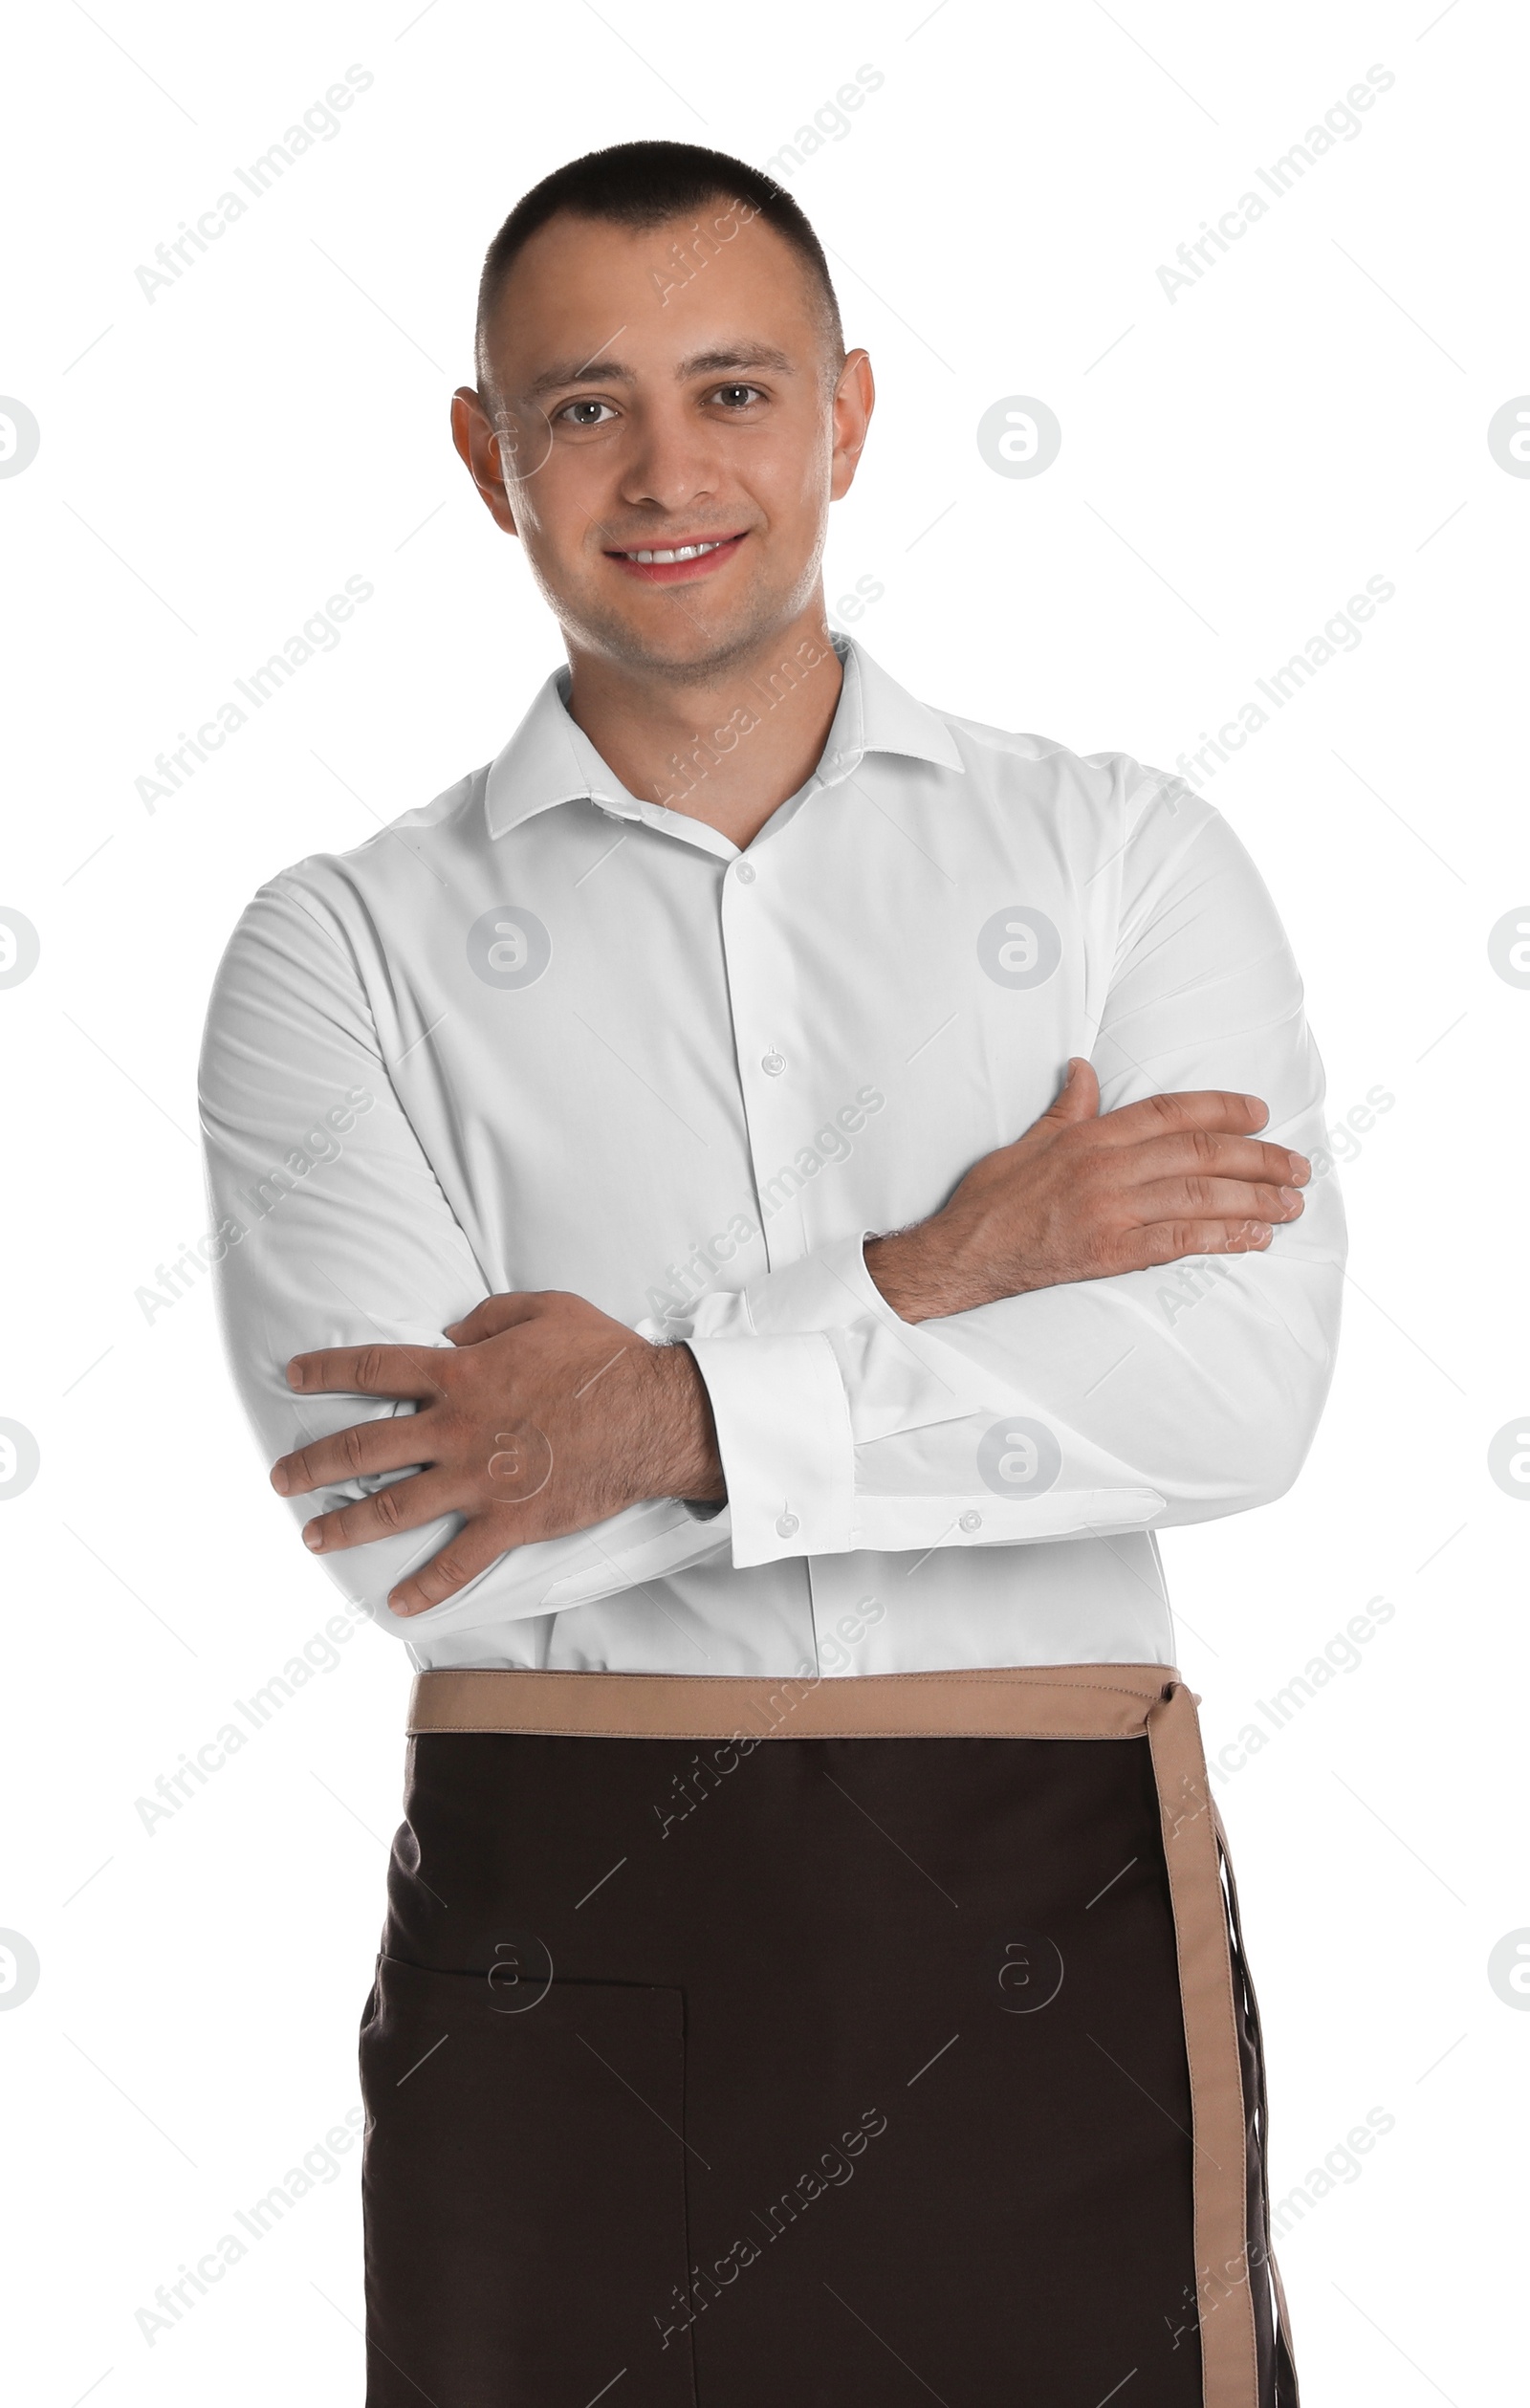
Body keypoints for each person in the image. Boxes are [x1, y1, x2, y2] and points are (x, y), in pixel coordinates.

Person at [198, 139, 1342, 2407]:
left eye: (731, 390)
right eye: (584, 403)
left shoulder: (1117, 858)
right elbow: (419, 1521)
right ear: (484, 454)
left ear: (845, 416)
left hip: (1055, 1933)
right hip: (561, 1965)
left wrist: (657, 1415)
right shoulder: (339, 947)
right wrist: (944, 1264)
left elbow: (1230, 1399)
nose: (663, 470)